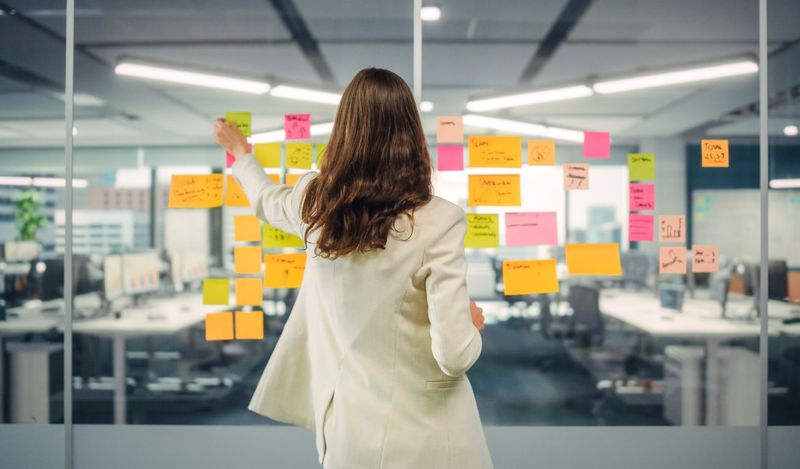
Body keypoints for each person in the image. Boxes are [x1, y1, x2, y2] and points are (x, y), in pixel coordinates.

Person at [215, 67, 492, 469]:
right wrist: (471, 323)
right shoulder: (440, 219)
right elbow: (454, 355)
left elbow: (265, 199)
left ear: (344, 131)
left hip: (349, 439)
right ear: (412, 135)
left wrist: (242, 155)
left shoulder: (315, 205)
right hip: (431, 444)